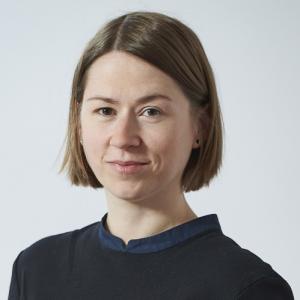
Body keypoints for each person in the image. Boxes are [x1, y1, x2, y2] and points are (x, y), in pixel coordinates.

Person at [8, 10, 294, 300]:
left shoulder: (246, 288)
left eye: (151, 112)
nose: (123, 138)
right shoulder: (36, 270)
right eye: (105, 110)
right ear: (79, 122)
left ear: (200, 126)